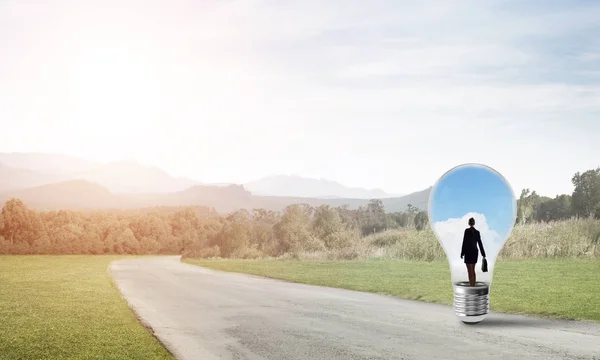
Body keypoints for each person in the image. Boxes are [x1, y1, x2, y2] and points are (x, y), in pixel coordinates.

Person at [460, 217, 486, 287]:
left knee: (469, 271)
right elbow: (480, 244)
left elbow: (464, 242)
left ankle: (471, 286)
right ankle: (473, 286)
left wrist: (462, 253)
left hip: (468, 252)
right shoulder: (477, 232)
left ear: (469, 223)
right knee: (473, 270)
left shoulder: (466, 231)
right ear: (474, 223)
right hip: (475, 252)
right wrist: (483, 254)